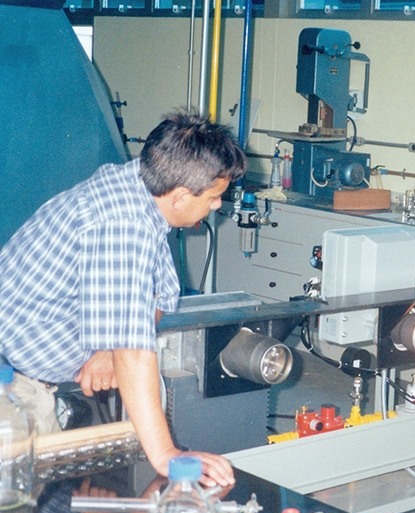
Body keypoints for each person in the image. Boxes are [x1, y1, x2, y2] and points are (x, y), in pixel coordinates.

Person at [0, 112, 243, 488]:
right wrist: (166, 456)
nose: (216, 207)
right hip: (11, 387)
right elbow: (133, 352)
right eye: (214, 198)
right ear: (180, 196)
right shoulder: (123, 224)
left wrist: (109, 348)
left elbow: (159, 298)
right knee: (22, 505)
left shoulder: (139, 185)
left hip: (40, 378)